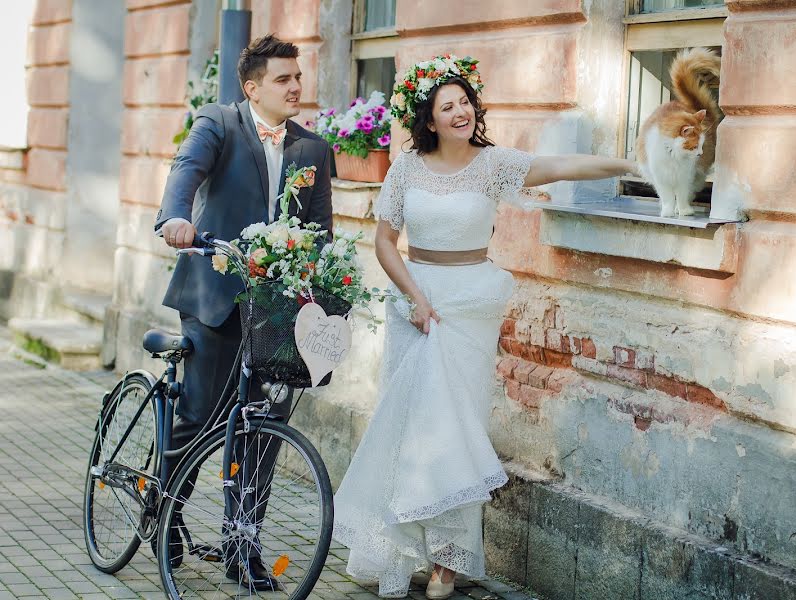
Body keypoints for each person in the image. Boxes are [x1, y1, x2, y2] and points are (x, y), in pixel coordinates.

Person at [332, 54, 637, 599]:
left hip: (471, 308)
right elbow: (384, 241)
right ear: (428, 119)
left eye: (465, 101)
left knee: (456, 429)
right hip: (416, 306)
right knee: (410, 427)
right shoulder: (405, 167)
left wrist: (626, 166)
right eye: (446, 105)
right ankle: (403, 550)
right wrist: (417, 299)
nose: (460, 111)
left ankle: (449, 560)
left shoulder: (492, 164)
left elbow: (558, 166)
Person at [154, 34, 333, 591]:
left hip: (278, 312)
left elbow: (321, 232)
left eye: (298, 77)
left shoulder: (313, 148)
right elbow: (185, 171)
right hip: (214, 298)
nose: (295, 86)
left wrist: (322, 292)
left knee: (264, 432)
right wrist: (173, 219)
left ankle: (243, 546)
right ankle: (164, 516)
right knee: (201, 417)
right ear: (252, 86)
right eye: (283, 79)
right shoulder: (218, 123)